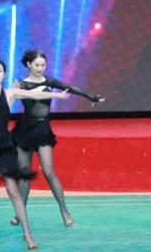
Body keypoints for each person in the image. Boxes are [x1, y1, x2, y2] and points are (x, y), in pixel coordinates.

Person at [0, 59, 70, 250]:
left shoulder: (10, 93)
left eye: (0, 70)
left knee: (13, 189)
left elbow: (34, 93)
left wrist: (59, 95)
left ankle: (28, 234)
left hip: (5, 145)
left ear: (4, 75)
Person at [10, 49, 104, 228]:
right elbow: (21, 95)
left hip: (42, 130)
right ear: (29, 65)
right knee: (24, 174)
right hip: (23, 131)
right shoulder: (21, 84)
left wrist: (90, 96)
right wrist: (16, 89)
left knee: (48, 171)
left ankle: (64, 211)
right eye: (37, 65)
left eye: (43, 65)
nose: (40, 68)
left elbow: (70, 88)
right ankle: (19, 213)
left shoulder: (49, 81)